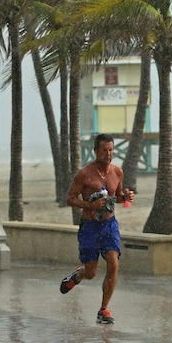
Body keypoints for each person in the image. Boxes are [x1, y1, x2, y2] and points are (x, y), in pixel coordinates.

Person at [59, 133, 134, 325]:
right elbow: (70, 198)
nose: (108, 154)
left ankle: (103, 309)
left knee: (113, 263)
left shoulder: (117, 172)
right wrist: (91, 206)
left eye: (111, 150)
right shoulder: (84, 174)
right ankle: (79, 273)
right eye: (104, 150)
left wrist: (124, 197)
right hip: (90, 226)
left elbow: (116, 197)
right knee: (91, 273)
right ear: (95, 151)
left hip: (109, 224)